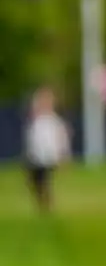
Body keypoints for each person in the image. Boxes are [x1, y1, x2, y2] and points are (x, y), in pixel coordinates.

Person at [23, 86, 71, 215]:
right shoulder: (36, 122)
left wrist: (63, 156)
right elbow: (32, 140)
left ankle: (47, 204)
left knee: (44, 180)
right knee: (35, 181)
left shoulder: (54, 121)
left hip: (49, 157)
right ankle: (42, 202)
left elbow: (62, 139)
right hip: (36, 157)